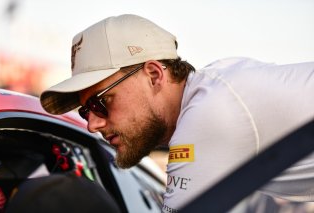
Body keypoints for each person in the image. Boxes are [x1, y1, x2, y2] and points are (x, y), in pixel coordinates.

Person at [40, 14, 314, 212]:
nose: (92, 124)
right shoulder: (219, 86)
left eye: (101, 102)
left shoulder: (210, 113)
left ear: (153, 74)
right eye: (85, 111)